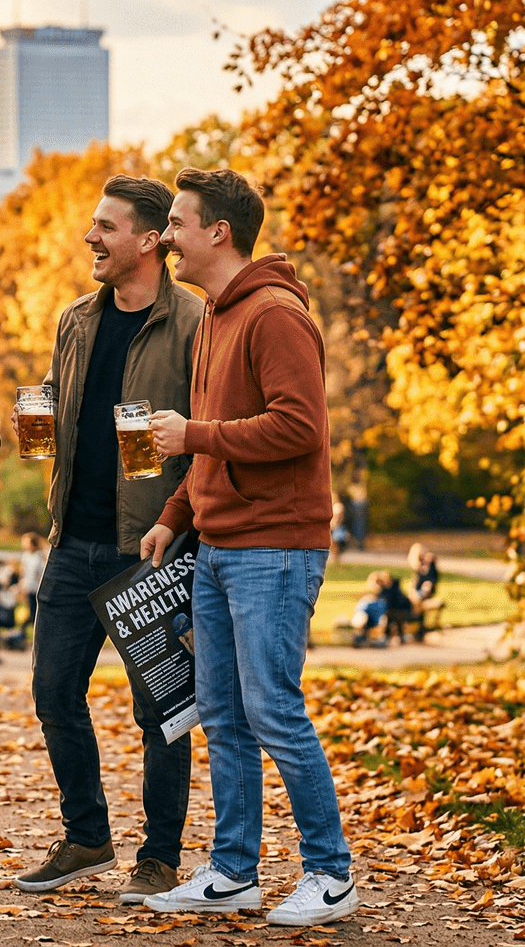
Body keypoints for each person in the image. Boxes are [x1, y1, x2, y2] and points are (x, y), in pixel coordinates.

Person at [139, 167, 358, 925]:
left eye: (175, 222)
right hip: (221, 545)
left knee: (273, 711)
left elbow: (300, 427)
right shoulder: (215, 317)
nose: (165, 236)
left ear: (217, 232)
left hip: (276, 548)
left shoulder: (273, 315)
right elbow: (210, 443)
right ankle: (233, 872)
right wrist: (175, 513)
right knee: (225, 715)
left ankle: (332, 874)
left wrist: (194, 435)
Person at [17, 174, 203, 899]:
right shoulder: (75, 319)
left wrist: (172, 522)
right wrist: (39, 420)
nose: (90, 237)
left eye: (106, 226)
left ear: (149, 240)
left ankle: (159, 855)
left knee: (161, 707)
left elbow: (204, 440)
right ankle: (87, 834)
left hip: (151, 545)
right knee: (53, 692)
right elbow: (61, 401)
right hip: (73, 540)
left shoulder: (194, 323)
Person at [15, 532, 46, 646]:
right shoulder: (26, 556)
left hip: (38, 589)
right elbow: (23, 573)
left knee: (35, 613)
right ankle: (29, 635)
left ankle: (31, 635)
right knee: (32, 612)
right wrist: (21, 586)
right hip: (29, 588)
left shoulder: (40, 555)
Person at [410, 545, 442, 639]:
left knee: (418, 601)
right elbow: (415, 585)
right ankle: (418, 626)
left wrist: (428, 585)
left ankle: (418, 625)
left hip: (425, 593)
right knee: (416, 600)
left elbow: (432, 580)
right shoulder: (419, 569)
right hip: (418, 593)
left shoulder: (431, 567)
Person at [350, 576, 387, 647]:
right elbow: (358, 612)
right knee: (361, 617)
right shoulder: (366, 598)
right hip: (364, 618)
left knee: (383, 619)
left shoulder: (382, 600)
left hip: (375, 620)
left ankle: (378, 639)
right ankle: (358, 637)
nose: (377, 587)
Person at [329, 498, 349, 563]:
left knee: (335, 543)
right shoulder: (335, 506)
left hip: (337, 528)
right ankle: (335, 557)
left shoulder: (338, 507)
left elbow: (338, 518)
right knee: (333, 543)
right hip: (335, 527)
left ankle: (336, 557)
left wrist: (334, 524)